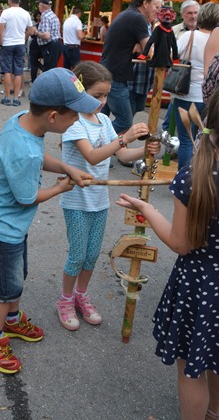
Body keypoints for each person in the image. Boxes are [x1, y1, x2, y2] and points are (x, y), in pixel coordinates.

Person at [0, 67, 99, 374]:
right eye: (74, 115)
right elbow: (27, 197)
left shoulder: (23, 124)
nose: (78, 120)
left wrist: (67, 168)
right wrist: (59, 187)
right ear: (54, 117)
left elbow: (41, 158)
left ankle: (12, 322)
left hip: (7, 225)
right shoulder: (24, 151)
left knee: (17, 275)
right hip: (1, 229)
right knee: (5, 287)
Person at [115, 85, 219, 420]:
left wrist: (147, 207)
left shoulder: (196, 176)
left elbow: (181, 242)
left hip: (202, 286)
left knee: (191, 367)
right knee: (214, 356)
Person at [56, 62, 160, 330]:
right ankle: (65, 300)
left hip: (99, 201)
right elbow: (92, 155)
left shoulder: (103, 121)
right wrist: (125, 139)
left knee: (91, 255)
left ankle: (81, 295)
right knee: (77, 254)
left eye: (105, 96)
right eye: (97, 95)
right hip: (77, 200)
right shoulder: (74, 121)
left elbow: (121, 155)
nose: (102, 102)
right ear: (80, 91)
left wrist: (145, 150)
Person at [100, 0, 162, 133]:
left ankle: (93, 148)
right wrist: (145, 48)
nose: (157, 11)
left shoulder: (128, 14)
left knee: (100, 117)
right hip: (116, 77)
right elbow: (150, 52)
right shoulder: (137, 17)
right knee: (125, 122)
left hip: (107, 73)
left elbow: (142, 49)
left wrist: (139, 47)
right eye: (155, 6)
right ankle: (96, 143)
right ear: (145, 3)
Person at [172, 1, 219, 169]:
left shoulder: (190, 36)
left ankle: (184, 177)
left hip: (187, 93)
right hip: (211, 99)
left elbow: (173, 55)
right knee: (206, 140)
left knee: (186, 139)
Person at [162, 0, 200, 131]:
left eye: (196, 13)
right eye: (189, 13)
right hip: (178, 82)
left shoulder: (207, 32)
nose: (193, 16)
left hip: (199, 86)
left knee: (194, 122)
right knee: (173, 114)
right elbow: (165, 54)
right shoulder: (173, 31)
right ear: (182, 14)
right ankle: (168, 141)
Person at [0, 0, 34, 107]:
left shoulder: (5, 13)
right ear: (19, 1)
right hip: (20, 44)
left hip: (7, 44)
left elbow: (0, 31)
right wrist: (24, 37)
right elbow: (31, 30)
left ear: (9, 1)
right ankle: (16, 98)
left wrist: (1, 43)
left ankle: (7, 97)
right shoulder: (26, 13)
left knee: (7, 71)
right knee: (18, 71)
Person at [34, 0, 62, 71]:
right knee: (52, 68)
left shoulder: (45, 16)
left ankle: (49, 83)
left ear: (42, 5)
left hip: (50, 46)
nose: (38, 7)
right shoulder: (53, 15)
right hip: (56, 44)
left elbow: (46, 36)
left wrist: (36, 32)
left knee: (48, 70)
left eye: (39, 5)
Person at [29, 10, 43, 83]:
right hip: (42, 47)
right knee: (39, 63)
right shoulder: (45, 26)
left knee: (33, 65)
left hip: (34, 46)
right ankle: (43, 69)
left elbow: (32, 35)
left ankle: (33, 80)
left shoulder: (35, 26)